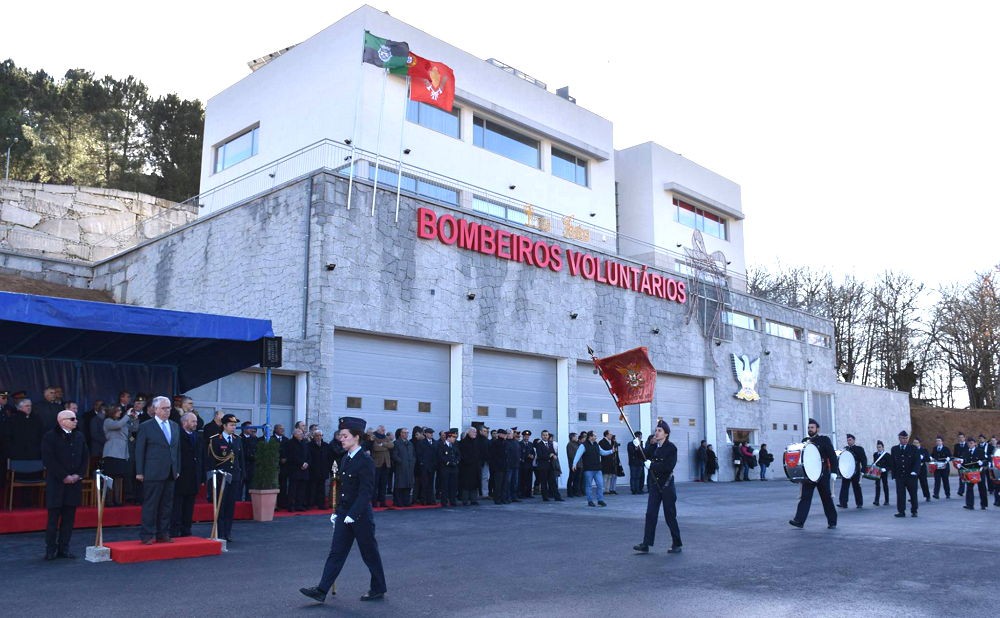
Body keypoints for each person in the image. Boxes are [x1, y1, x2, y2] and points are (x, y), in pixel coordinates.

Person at [300, 416, 387, 604]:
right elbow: (342, 489)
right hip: (344, 513)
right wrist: (337, 511)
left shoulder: (365, 461)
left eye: (345, 435)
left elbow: (366, 493)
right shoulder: (345, 458)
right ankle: (322, 590)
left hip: (360, 516)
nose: (341, 439)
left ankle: (378, 587)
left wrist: (352, 515)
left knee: (369, 553)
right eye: (340, 435)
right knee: (336, 552)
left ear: (357, 437)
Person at [40, 410, 88, 560]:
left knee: (69, 519)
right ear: (62, 420)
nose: (76, 421)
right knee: (53, 519)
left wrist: (78, 475)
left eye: (76, 418)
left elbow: (85, 457)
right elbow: (49, 459)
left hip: (74, 483)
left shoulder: (79, 436)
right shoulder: (50, 436)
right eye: (72, 419)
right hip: (57, 483)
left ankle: (64, 548)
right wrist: (64, 476)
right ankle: (50, 549)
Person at [134, 396, 181, 544]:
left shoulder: (174, 425)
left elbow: (176, 450)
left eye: (169, 408)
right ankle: (147, 534)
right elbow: (139, 450)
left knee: (167, 505)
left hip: (170, 471)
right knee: (151, 505)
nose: (167, 411)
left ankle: (163, 533)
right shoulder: (146, 426)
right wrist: (139, 471)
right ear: (155, 409)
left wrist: (177, 468)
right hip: (152, 471)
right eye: (164, 408)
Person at [632, 420, 681, 554]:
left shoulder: (671, 448)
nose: (656, 432)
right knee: (650, 514)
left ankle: (677, 543)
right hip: (654, 485)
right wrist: (637, 447)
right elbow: (641, 456)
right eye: (656, 430)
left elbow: (668, 467)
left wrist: (652, 466)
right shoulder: (654, 447)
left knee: (670, 515)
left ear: (666, 433)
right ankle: (646, 544)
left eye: (659, 430)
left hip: (666, 486)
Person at [788, 418, 838, 530]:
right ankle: (799, 521)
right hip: (809, 474)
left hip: (822, 473)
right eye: (809, 428)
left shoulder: (824, 440)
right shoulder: (805, 441)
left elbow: (832, 456)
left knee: (826, 498)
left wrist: (834, 471)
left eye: (812, 427)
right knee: (805, 497)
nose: (810, 429)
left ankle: (832, 521)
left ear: (817, 429)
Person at [206, 413, 244, 541]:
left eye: (235, 425)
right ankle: (220, 532)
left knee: (230, 505)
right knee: (220, 506)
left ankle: (228, 532)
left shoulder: (237, 439)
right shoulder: (216, 439)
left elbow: (240, 459)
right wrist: (211, 479)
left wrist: (242, 475)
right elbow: (211, 461)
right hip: (221, 477)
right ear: (224, 425)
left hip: (234, 477)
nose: (234, 427)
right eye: (231, 425)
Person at [171, 412, 203, 538]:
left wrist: (202, 476)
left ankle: (186, 528)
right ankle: (174, 529)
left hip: (193, 476)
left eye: (195, 421)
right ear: (184, 422)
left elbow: (201, 457)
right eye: (193, 421)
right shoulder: (177, 435)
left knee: (189, 505)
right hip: (181, 475)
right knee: (177, 505)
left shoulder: (197, 436)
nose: (196, 424)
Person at [572, 431, 613, 507]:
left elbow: (602, 452)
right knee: (588, 486)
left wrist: (611, 451)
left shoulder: (596, 444)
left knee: (600, 485)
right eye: (594, 436)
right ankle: (590, 501)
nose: (596, 437)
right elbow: (578, 454)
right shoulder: (583, 445)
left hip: (597, 469)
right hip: (588, 469)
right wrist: (574, 464)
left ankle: (600, 500)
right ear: (590, 437)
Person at [890, 430, 920, 518]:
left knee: (913, 494)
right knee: (900, 494)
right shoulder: (894, 449)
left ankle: (914, 511)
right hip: (900, 476)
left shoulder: (913, 448)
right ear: (899, 438)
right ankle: (901, 511)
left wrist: (915, 471)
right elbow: (893, 462)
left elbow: (917, 461)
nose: (905, 440)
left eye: (906, 438)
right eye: (903, 438)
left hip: (911, 475)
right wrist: (894, 474)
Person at [285, 427, 311, 511]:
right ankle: (291, 505)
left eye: (302, 434)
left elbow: (308, 454)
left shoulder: (304, 442)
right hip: (295, 469)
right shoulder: (290, 443)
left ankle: (299, 505)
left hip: (304, 469)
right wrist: (301, 463)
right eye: (300, 434)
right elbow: (292, 456)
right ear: (295, 435)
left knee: (302, 489)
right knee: (293, 489)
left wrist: (307, 463)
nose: (302, 435)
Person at [837, 434, 867, 508]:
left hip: (856, 471)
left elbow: (864, 460)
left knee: (856, 487)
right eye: (847, 440)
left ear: (854, 440)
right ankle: (843, 503)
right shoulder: (845, 449)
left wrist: (863, 470)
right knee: (844, 487)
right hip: (847, 471)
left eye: (850, 440)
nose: (848, 441)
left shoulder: (859, 449)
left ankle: (859, 503)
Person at [534, 430, 562, 501]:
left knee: (553, 482)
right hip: (543, 466)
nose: (545, 436)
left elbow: (553, 452)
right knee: (544, 482)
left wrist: (554, 455)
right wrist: (549, 456)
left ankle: (557, 497)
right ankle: (545, 497)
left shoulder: (550, 443)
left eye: (546, 435)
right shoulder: (539, 444)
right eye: (544, 435)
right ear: (541, 436)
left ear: (548, 436)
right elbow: (540, 455)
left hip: (550, 466)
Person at [962, 436, 988, 511]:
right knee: (969, 488)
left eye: (971, 443)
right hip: (970, 472)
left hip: (979, 472)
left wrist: (982, 462)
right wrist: (960, 465)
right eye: (968, 443)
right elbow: (964, 462)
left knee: (982, 488)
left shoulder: (980, 451)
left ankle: (983, 504)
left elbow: (986, 460)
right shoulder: (966, 452)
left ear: (975, 444)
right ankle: (969, 504)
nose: (970, 445)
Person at [390, 427, 415, 507]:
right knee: (400, 485)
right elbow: (394, 455)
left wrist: (413, 462)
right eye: (404, 432)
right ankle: (398, 502)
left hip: (409, 467)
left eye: (407, 433)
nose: (406, 434)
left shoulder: (410, 443)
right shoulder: (396, 443)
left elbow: (414, 455)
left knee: (408, 485)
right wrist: (400, 461)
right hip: (400, 467)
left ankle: (406, 501)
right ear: (401, 434)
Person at [371, 426, 394, 508]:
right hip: (377, 464)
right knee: (375, 484)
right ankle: (374, 502)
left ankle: (382, 501)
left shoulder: (386, 437)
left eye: (384, 430)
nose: (384, 431)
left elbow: (391, 445)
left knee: (383, 484)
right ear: (378, 430)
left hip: (386, 464)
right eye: (382, 430)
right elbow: (375, 448)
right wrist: (385, 447)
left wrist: (383, 444)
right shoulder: (374, 437)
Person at [457, 427, 480, 506]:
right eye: (473, 432)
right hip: (466, 467)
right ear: (468, 433)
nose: (475, 433)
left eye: (475, 432)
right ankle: (465, 500)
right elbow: (462, 455)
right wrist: (468, 461)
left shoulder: (476, 442)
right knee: (466, 484)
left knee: (474, 484)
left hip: (475, 467)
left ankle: (474, 499)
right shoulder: (463, 443)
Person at [437, 428, 460, 507]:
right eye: (453, 437)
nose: (454, 438)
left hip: (454, 468)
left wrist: (456, 462)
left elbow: (458, 455)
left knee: (453, 486)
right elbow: (441, 457)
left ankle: (452, 501)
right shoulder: (442, 446)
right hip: (445, 468)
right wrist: (448, 462)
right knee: (445, 486)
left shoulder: (454, 446)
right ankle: (444, 501)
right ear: (448, 437)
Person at [489, 429, 509, 504]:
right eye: (503, 434)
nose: (504, 436)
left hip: (505, 466)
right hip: (498, 467)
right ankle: (497, 499)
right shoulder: (495, 443)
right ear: (499, 434)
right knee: (498, 484)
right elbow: (493, 456)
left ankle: (503, 498)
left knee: (504, 484)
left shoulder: (505, 443)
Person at [870, 441, 890, 506]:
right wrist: (873, 466)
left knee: (885, 485)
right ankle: (876, 501)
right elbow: (875, 462)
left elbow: (890, 465)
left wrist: (885, 469)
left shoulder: (887, 455)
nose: (879, 448)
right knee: (877, 485)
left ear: (883, 447)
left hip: (883, 472)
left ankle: (886, 500)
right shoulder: (875, 454)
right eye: (878, 447)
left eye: (880, 447)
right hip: (877, 472)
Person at [912, 437, 931, 502]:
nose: (915, 444)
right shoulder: (911, 450)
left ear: (919, 443)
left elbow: (928, 459)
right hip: (914, 469)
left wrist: (923, 458)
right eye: (914, 443)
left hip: (922, 469)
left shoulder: (924, 450)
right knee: (913, 484)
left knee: (924, 482)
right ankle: (913, 497)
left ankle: (927, 496)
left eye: (916, 443)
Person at [953, 432, 968, 497]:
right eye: (959, 437)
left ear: (964, 438)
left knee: (967, 476)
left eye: (962, 437)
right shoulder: (956, 446)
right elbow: (955, 455)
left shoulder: (967, 445)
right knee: (961, 477)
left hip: (967, 463)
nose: (961, 438)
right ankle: (961, 491)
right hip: (960, 463)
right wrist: (956, 460)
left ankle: (969, 490)